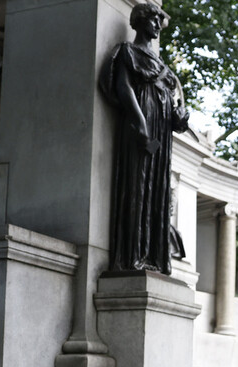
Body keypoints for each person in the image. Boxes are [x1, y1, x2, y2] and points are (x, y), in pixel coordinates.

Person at [102, 3, 190, 275]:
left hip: (162, 132)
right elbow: (123, 87)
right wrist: (139, 121)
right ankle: (132, 255)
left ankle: (153, 256)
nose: (156, 24)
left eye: (158, 19)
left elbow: (175, 107)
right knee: (137, 187)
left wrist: (181, 117)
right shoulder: (128, 52)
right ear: (138, 22)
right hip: (142, 127)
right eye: (151, 19)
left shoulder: (163, 66)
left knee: (157, 190)